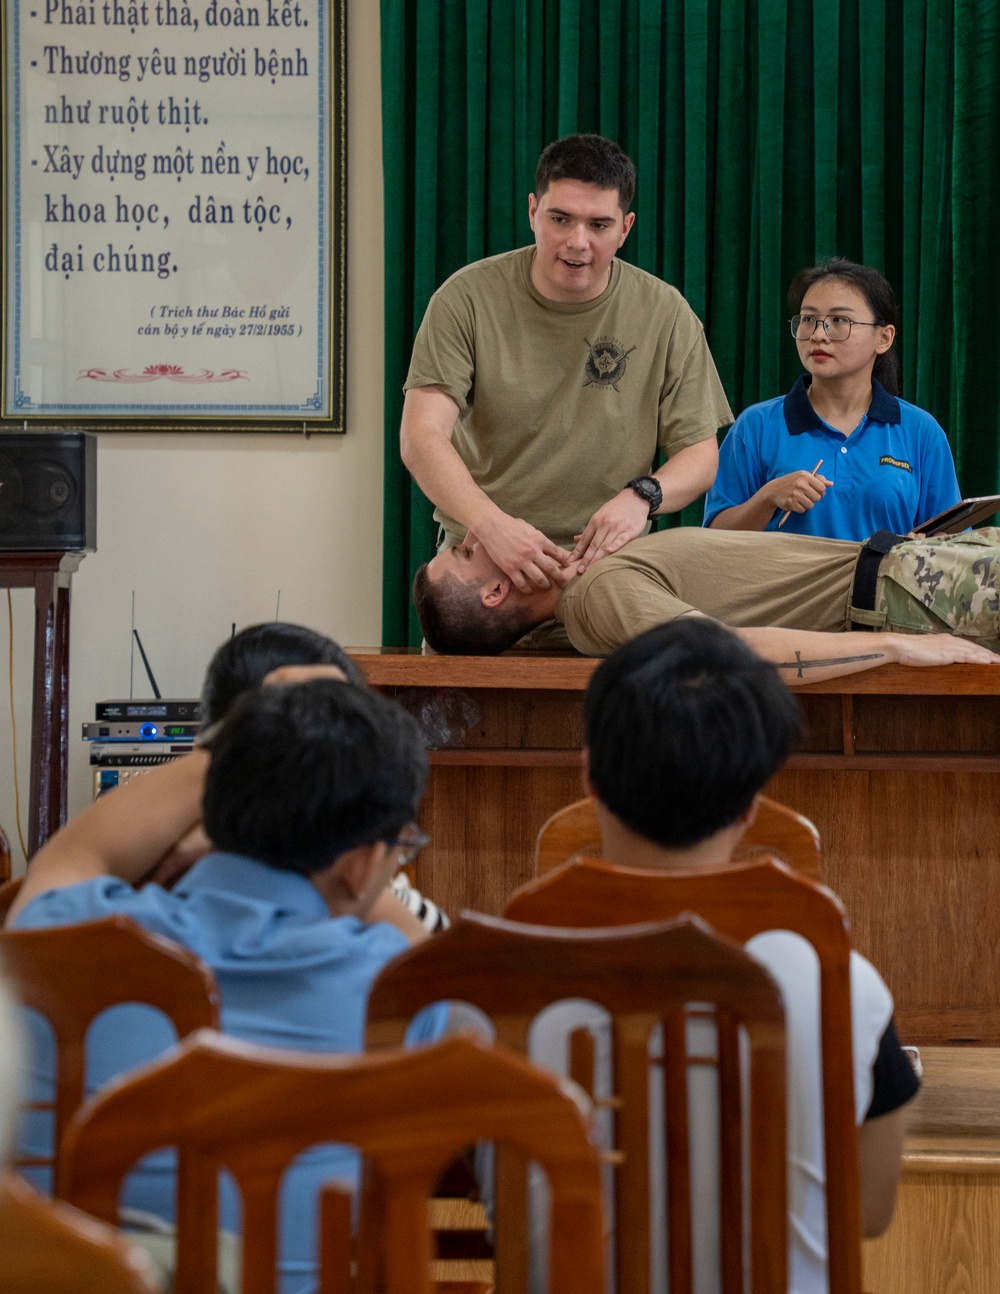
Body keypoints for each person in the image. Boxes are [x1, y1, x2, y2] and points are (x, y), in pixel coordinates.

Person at [7, 679, 448, 1294]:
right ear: (367, 862)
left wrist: (240, 745)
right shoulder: (399, 986)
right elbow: (418, 943)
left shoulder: (56, 945)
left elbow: (79, 850)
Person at [573, 618, 920, 1291]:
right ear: (752, 806)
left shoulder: (493, 984)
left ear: (588, 775)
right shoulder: (840, 982)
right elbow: (870, 1211)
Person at [401, 133, 732, 598]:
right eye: (561, 219)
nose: (578, 243)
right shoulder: (466, 298)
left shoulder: (667, 312)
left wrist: (643, 497)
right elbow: (421, 437)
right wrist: (492, 526)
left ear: (625, 228)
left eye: (599, 225)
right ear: (533, 212)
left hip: (606, 572)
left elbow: (700, 456)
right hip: (484, 565)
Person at [412, 521, 1000, 676]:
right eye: (464, 554)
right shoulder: (598, 596)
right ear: (495, 592)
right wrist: (897, 648)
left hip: (918, 572)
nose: (472, 536)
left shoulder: (591, 586)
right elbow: (729, 650)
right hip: (916, 593)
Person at [704, 259, 960, 539]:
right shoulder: (756, 426)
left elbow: (950, 540)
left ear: (883, 338)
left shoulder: (920, 431)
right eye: (808, 319)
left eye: (839, 321)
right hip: (789, 584)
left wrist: (922, 548)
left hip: (882, 583)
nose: (817, 335)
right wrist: (767, 498)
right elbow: (714, 539)